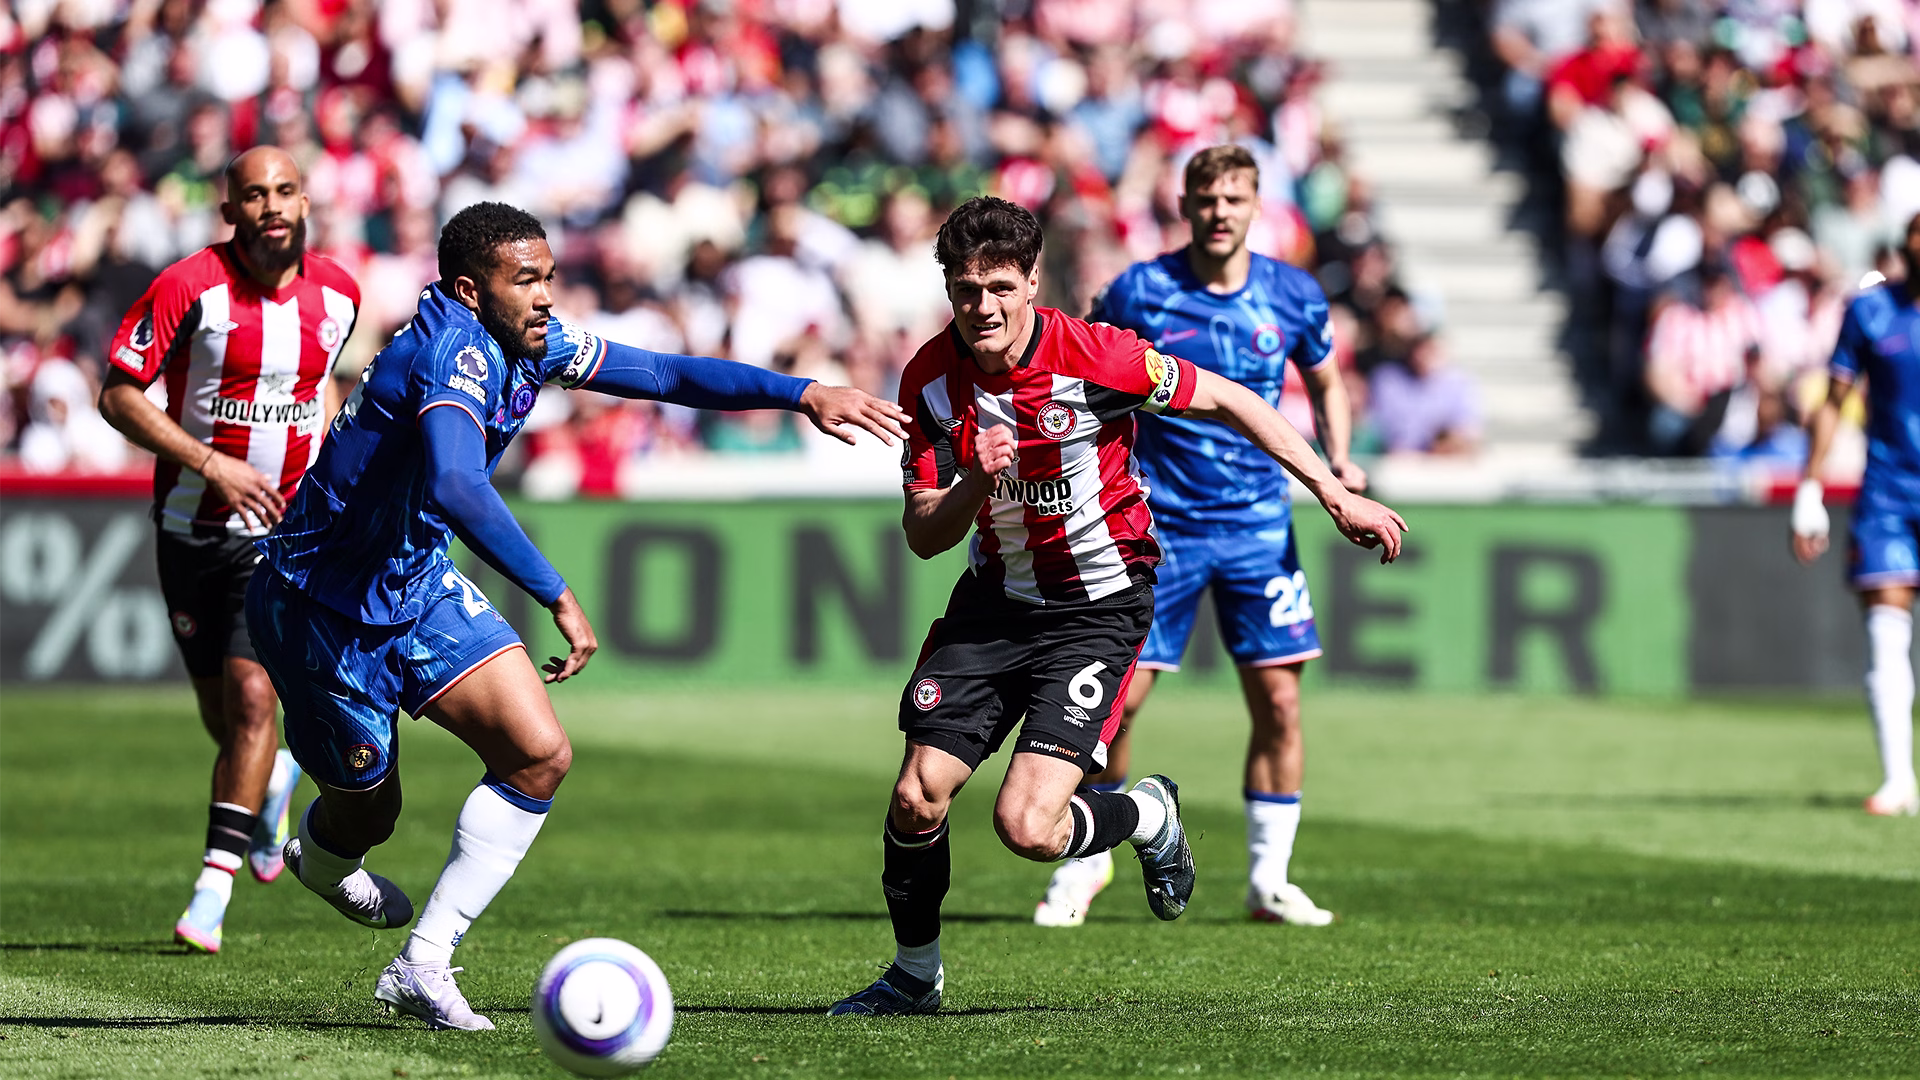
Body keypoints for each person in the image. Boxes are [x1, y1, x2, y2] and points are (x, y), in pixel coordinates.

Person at [247, 201, 908, 1030]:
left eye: (550, 276)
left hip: (413, 584)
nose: (546, 296)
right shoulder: (449, 353)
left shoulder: (528, 343)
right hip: (318, 607)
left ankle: (423, 962)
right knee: (369, 814)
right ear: (469, 288)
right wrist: (555, 590)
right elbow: (456, 484)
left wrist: (803, 390)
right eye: (525, 280)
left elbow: (665, 375)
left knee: (539, 753)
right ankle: (324, 854)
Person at [829, 196, 1406, 1017]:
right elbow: (923, 533)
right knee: (917, 795)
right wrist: (975, 483)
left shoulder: (1097, 356)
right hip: (993, 605)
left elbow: (1238, 401)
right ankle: (914, 975)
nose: (982, 307)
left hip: (1097, 607)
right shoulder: (929, 379)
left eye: (1000, 286)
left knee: (1027, 828)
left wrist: (1331, 494)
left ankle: (1144, 812)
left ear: (1033, 281)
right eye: (964, 289)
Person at [1032, 145, 1369, 932]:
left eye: (1234, 198)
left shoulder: (1293, 294)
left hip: (1260, 526)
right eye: (1206, 197)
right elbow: (1083, 372)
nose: (1220, 211)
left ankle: (1268, 882)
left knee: (1281, 704)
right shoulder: (1142, 289)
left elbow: (1325, 380)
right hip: (1163, 526)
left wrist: (1339, 453)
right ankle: (1089, 859)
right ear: (1184, 205)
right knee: (1114, 703)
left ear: (1257, 206)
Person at [97, 146, 356, 954]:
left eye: (284, 191)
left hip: (281, 536)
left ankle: (212, 891)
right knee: (226, 717)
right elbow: (116, 394)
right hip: (189, 529)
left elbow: (324, 385)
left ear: (306, 200)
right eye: (254, 195)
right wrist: (212, 462)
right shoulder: (187, 287)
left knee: (253, 702)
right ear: (230, 211)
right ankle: (272, 780)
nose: (272, 206)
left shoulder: (341, 293)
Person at [1793, 214, 1920, 817]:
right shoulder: (1869, 312)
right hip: (1889, 495)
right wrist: (1810, 486)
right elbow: (1832, 403)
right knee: (1886, 636)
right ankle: (1899, 778)